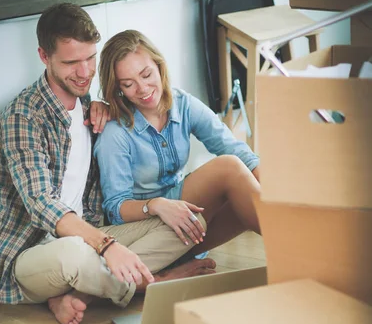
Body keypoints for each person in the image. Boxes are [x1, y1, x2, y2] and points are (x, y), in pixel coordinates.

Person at [0, 4, 215, 324]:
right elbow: (42, 204)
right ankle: (155, 280)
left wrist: (132, 223)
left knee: (188, 223)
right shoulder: (23, 117)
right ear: (44, 57)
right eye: (71, 62)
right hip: (29, 249)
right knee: (74, 254)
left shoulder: (94, 108)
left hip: (89, 235)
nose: (85, 71)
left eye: (90, 58)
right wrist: (108, 246)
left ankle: (79, 291)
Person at [95, 29, 261, 258]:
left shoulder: (182, 104)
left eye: (146, 74)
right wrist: (156, 204)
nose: (142, 89)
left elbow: (234, 148)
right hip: (146, 229)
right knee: (229, 168)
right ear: (118, 89)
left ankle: (301, 240)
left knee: (247, 193)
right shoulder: (115, 133)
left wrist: (276, 191)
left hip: (186, 223)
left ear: (159, 66)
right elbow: (116, 209)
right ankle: (299, 248)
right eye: (128, 84)